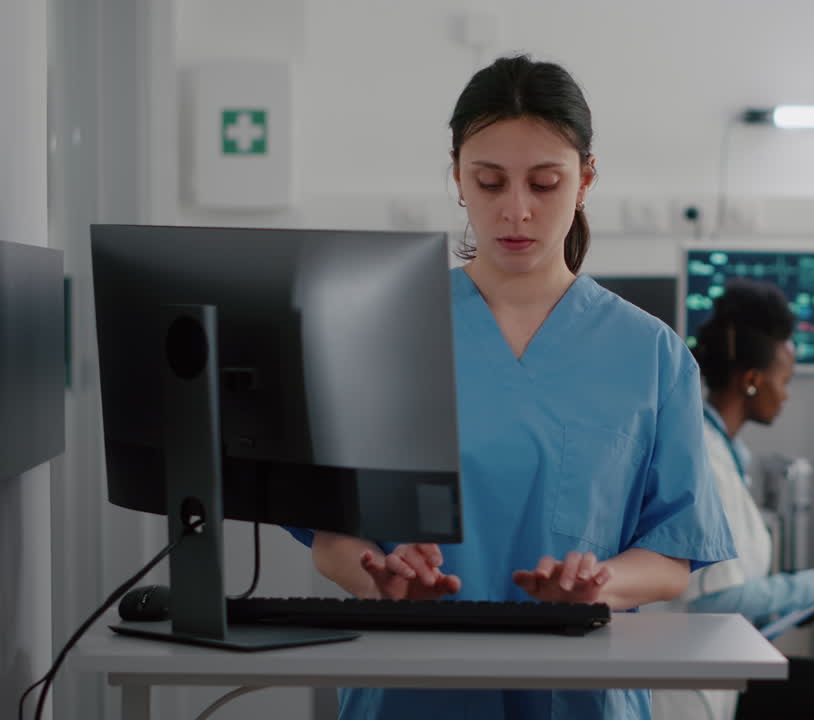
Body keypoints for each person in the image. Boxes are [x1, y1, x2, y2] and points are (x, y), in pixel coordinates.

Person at [285, 55, 735, 720]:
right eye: (489, 182)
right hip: (413, 692)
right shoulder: (383, 334)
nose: (515, 211)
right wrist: (380, 578)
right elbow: (330, 537)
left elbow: (673, 555)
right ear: (458, 178)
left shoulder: (652, 357)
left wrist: (599, 584)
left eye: (545, 183)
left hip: (581, 694)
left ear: (585, 180)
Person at [652, 278, 814, 720]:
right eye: (785, 379)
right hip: (686, 687)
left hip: (718, 667)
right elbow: (713, 603)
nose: (787, 394)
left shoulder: (727, 455)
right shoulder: (706, 461)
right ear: (752, 380)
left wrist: (802, 604)